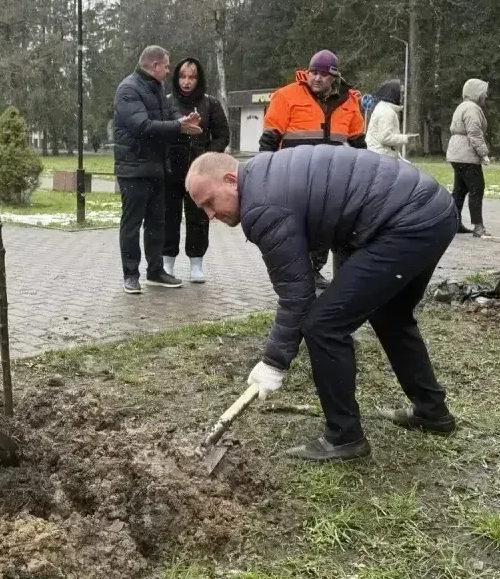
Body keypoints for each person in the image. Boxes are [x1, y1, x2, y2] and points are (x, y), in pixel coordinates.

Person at [186, 147, 459, 461]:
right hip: (431, 211)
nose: (209, 216)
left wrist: (274, 363)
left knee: (324, 326)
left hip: (406, 223)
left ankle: (344, 436)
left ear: (231, 180)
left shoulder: (261, 206)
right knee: (390, 314)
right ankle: (432, 412)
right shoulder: (263, 176)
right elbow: (336, 217)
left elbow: (296, 295)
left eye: (209, 203)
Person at [258, 49, 366, 288]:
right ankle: (295, 272)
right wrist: (263, 173)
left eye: (323, 74)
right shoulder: (286, 96)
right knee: (295, 227)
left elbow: (359, 143)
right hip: (294, 174)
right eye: (313, 72)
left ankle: (313, 270)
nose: (316, 78)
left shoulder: (350, 101)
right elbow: (269, 139)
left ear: (334, 77)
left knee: (326, 227)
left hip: (332, 177)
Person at [112, 46, 202, 294]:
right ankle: (131, 274)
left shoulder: (157, 88)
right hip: (133, 169)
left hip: (157, 167)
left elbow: (170, 112)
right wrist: (177, 127)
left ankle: (156, 271)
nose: (169, 70)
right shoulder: (128, 89)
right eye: (166, 65)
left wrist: (185, 120)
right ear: (154, 66)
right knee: (132, 224)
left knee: (157, 223)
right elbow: (142, 126)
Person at [163, 57, 231, 283]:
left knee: (198, 218)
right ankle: (167, 264)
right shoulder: (167, 102)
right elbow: (159, 132)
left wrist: (206, 157)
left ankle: (196, 264)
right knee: (168, 217)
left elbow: (222, 135)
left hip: (199, 175)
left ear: (199, 79)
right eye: (182, 76)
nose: (186, 81)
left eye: (192, 77)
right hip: (171, 171)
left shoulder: (210, 103)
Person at [446, 78, 492, 237]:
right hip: (467, 155)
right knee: (477, 188)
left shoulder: (462, 106)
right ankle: (478, 227)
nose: (485, 96)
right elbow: (474, 133)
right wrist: (483, 153)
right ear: (476, 93)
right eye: (483, 93)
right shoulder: (472, 109)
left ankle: (454, 223)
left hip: (456, 154)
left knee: (460, 190)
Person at [365, 78, 415, 158]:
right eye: (401, 93)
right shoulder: (387, 112)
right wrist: (406, 138)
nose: (403, 96)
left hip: (377, 155)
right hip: (381, 158)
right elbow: (385, 138)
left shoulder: (384, 107)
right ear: (394, 93)